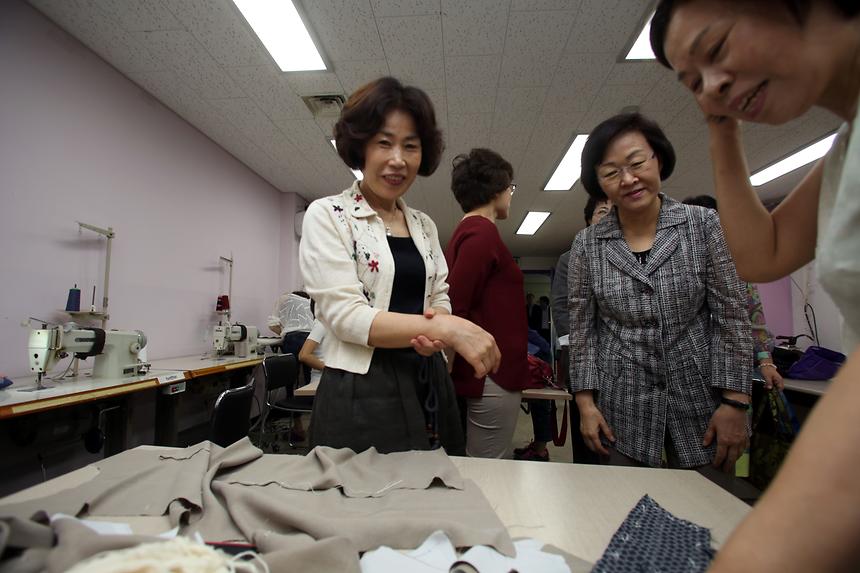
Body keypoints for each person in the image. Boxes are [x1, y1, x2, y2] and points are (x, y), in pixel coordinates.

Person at [651, 1, 860, 569]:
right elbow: (761, 255)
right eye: (692, 82)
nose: (711, 85)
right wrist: (720, 121)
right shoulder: (846, 149)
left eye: (715, 50)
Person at [299, 77, 501, 455]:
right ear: (360, 147)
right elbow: (345, 316)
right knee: (364, 506)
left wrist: (436, 333)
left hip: (427, 381)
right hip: (361, 390)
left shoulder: (424, 225)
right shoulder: (329, 215)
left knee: (436, 495)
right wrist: (447, 327)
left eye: (411, 146)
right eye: (384, 143)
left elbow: (439, 293)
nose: (398, 159)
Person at [569, 112, 752, 484]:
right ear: (599, 184)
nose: (628, 179)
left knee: (709, 514)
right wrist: (585, 404)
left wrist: (735, 402)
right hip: (622, 407)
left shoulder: (702, 224)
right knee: (626, 513)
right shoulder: (587, 245)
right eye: (611, 172)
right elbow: (583, 331)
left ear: (659, 159)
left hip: (703, 401)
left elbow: (731, 316)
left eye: (637, 163)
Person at [444, 148, 529, 459]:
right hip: (492, 373)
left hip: (489, 372)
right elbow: (455, 306)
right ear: (497, 190)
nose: (511, 195)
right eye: (511, 188)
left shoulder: (472, 233)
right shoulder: (481, 234)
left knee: (485, 464)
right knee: (490, 470)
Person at [524, 196, 612, 464]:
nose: (608, 217)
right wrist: (574, 353)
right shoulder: (571, 257)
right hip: (586, 361)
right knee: (589, 439)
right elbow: (562, 308)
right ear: (588, 220)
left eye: (614, 212)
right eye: (602, 211)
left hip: (628, 364)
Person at [682, 195, 784, 390]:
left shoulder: (736, 268)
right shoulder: (672, 272)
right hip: (689, 375)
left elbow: (754, 317)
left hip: (733, 374)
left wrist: (766, 362)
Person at [267, 290, 314, 356]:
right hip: (310, 338)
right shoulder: (309, 308)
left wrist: (283, 332)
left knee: (292, 364)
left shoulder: (286, 305)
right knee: (308, 363)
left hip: (292, 338)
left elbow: (272, 325)